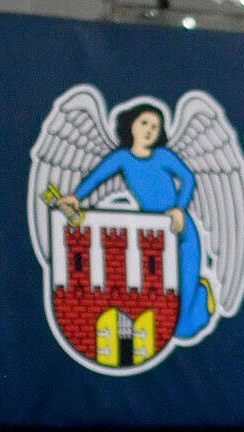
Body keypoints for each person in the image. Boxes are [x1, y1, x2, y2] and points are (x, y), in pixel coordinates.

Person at [57, 104, 214, 339]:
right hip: (154, 236)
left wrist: (179, 209)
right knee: (167, 321)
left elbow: (188, 178)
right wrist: (76, 197)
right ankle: (197, 295)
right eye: (144, 123)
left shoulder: (163, 156)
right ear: (131, 125)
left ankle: (202, 293)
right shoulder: (122, 158)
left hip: (181, 231)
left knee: (184, 328)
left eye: (155, 126)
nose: (149, 130)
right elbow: (97, 177)